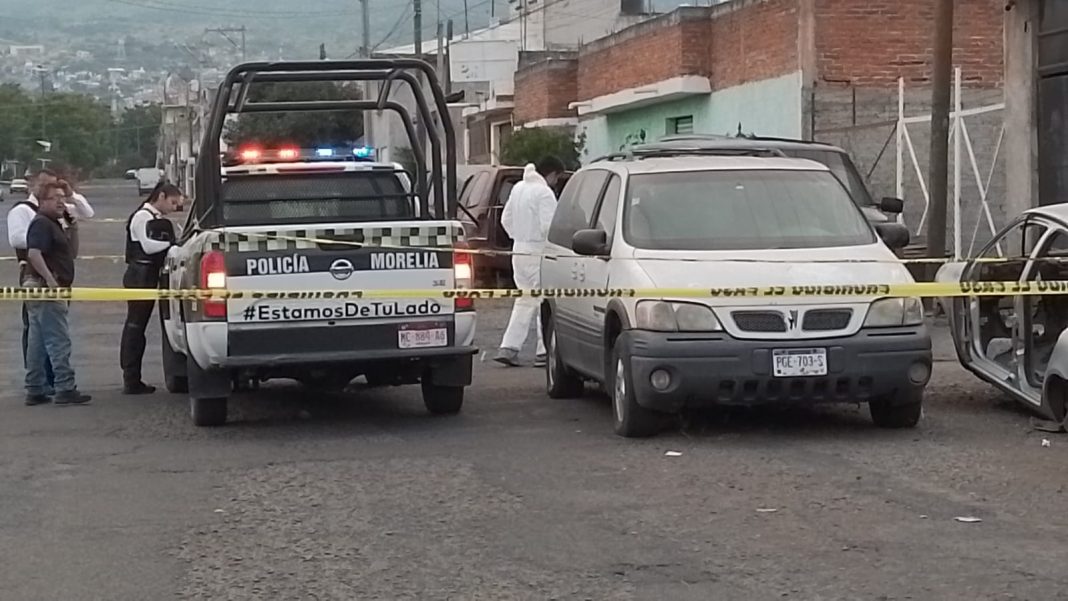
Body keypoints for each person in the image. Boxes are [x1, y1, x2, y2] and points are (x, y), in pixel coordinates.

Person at [7, 170, 94, 394]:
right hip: (44, 286)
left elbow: (72, 253)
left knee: (37, 341)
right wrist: (50, 280)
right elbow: (34, 253)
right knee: (58, 339)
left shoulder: (55, 224)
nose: (60, 202)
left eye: (63, 198)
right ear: (42, 201)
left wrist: (73, 227)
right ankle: (65, 386)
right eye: (55, 198)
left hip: (44, 285)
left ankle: (35, 386)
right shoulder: (41, 223)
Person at [494, 156, 566, 368]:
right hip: (538, 253)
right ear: (551, 174)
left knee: (525, 300)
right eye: (557, 178)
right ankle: (543, 351)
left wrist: (519, 236)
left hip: (519, 251)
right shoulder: (544, 193)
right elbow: (548, 227)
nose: (556, 182)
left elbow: (505, 220)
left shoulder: (518, 188)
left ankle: (509, 347)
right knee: (543, 301)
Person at [120, 182, 182, 394]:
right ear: (161, 196)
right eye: (172, 202)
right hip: (140, 275)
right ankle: (131, 378)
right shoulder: (142, 217)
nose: (174, 208)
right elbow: (148, 246)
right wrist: (174, 244)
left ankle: (133, 377)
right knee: (135, 327)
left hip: (147, 274)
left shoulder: (153, 218)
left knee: (138, 327)